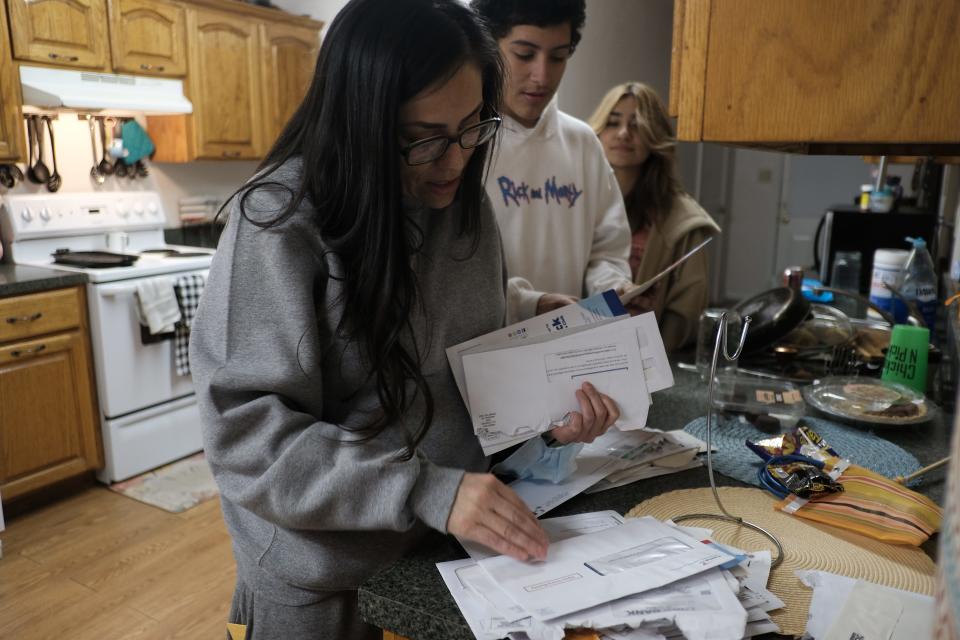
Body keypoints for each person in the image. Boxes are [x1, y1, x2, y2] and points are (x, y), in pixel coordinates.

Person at [189, 1, 620, 638]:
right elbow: (248, 439)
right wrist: (427, 489)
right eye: (421, 139)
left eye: (473, 127)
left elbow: (457, 363)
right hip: (323, 579)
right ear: (359, 122)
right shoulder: (279, 223)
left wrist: (548, 424)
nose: (454, 162)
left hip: (446, 550)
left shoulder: (464, 205)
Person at [471, 0, 633, 324]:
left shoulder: (582, 143)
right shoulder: (466, 141)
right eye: (525, 55)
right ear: (489, 45)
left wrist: (614, 286)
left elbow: (607, 250)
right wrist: (528, 304)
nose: (542, 75)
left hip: (564, 353)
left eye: (558, 57)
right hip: (480, 352)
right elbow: (452, 271)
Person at [588, 82, 720, 351]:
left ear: (655, 136)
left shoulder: (683, 222)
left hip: (645, 364)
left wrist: (649, 360)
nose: (624, 133)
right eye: (613, 123)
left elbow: (686, 314)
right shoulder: (574, 202)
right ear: (597, 132)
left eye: (636, 125)